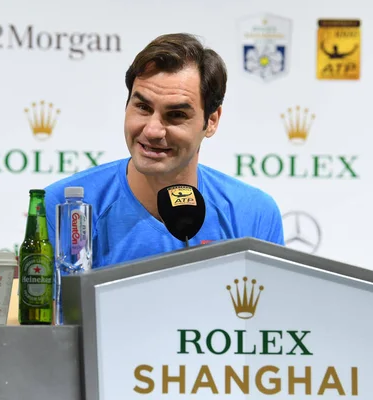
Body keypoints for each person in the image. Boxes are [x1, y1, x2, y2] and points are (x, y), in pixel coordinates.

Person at [44, 32, 284, 269]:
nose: (152, 130)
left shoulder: (254, 213)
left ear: (211, 120)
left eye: (176, 115)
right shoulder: (65, 207)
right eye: (143, 107)